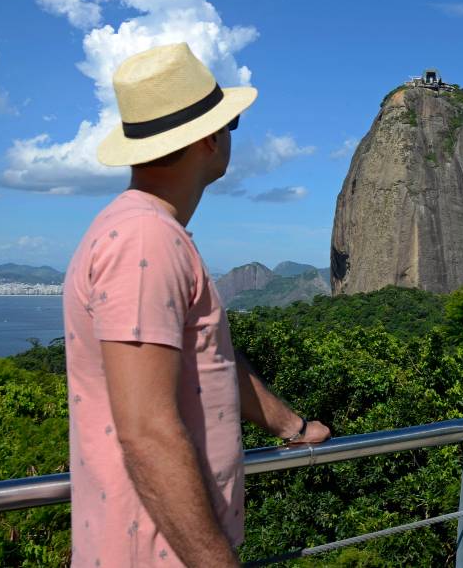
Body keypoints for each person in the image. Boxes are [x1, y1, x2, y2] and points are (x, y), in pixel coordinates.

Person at [63, 43, 330, 567]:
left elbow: (207, 361)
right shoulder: (144, 240)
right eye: (231, 125)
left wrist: (290, 426)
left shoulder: (152, 232)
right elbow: (147, 432)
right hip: (154, 550)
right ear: (208, 138)